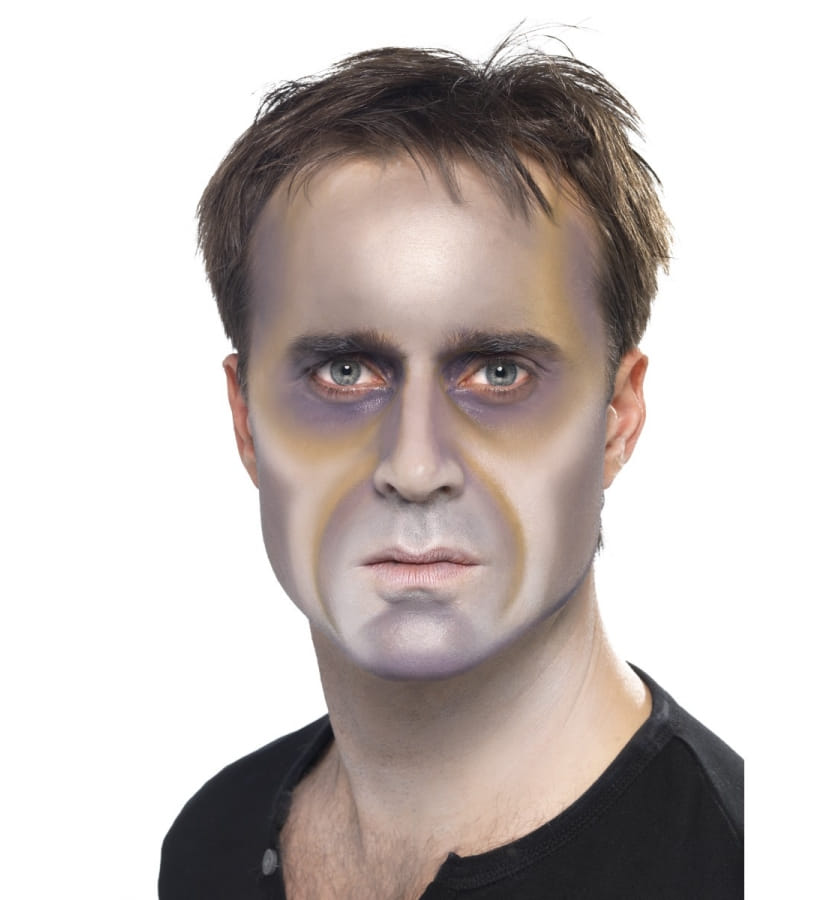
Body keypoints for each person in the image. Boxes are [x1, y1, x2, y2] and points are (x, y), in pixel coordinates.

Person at [159, 40, 743, 900]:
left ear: (617, 418)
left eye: (499, 373)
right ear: (246, 420)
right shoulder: (213, 842)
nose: (415, 464)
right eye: (345, 372)